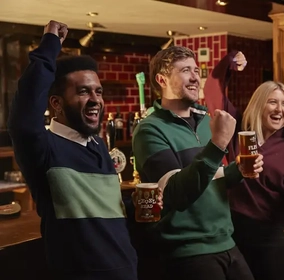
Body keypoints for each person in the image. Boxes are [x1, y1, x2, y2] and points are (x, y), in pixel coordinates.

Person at [7, 20, 148, 280]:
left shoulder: (97, 145)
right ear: (56, 104)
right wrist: (49, 46)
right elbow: (24, 117)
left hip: (127, 271)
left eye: (98, 91)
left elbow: (102, 208)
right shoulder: (44, 148)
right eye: (83, 92)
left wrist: (132, 203)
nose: (96, 100)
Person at [132, 45, 263, 280]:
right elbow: (175, 193)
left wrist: (239, 169)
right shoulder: (149, 130)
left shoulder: (206, 121)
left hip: (225, 239)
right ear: (162, 79)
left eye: (195, 70)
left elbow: (213, 178)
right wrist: (218, 144)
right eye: (185, 70)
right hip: (187, 250)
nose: (195, 77)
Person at [203, 51, 284, 280]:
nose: (280, 109)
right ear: (259, 104)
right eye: (273, 102)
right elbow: (212, 92)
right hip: (234, 234)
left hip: (276, 237)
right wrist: (229, 62)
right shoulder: (239, 131)